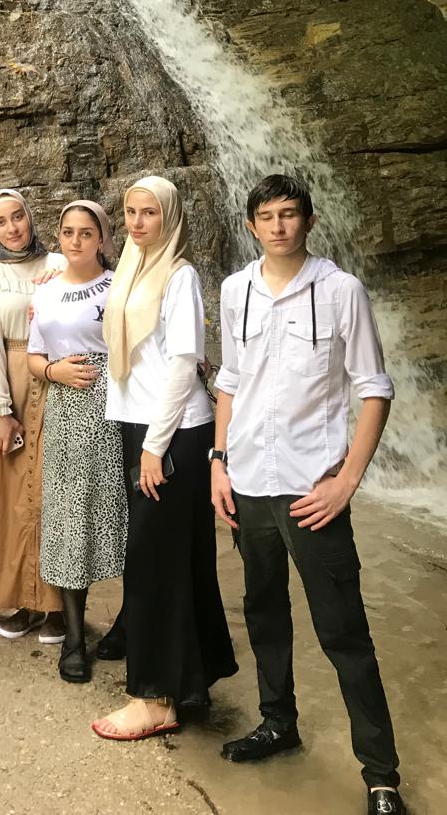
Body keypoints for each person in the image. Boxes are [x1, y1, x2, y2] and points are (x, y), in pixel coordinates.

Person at [211, 174, 404, 815]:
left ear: (309, 221)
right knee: (264, 614)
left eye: (289, 214)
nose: (278, 226)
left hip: (312, 490)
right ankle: (278, 723)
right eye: (266, 216)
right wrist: (218, 462)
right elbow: (230, 380)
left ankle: (381, 776)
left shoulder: (342, 290)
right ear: (251, 225)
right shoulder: (234, 290)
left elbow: (373, 387)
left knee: (344, 632)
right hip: (247, 483)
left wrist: (347, 480)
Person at [92, 175, 236, 742]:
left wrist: (154, 446)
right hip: (141, 425)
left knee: (152, 561)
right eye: (130, 211)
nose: (137, 222)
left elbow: (182, 363)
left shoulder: (179, 275)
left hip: (173, 433)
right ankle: (190, 684)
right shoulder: (130, 268)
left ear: (169, 217)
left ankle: (154, 697)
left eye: (149, 212)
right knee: (174, 558)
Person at [27, 201, 127, 682]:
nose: (76, 241)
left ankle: (130, 623)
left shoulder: (119, 284)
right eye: (68, 232)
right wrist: (53, 371)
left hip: (116, 405)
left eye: (86, 233)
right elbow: (33, 355)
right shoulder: (45, 290)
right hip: (66, 409)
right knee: (69, 517)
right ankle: (73, 638)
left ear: (102, 238)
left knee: (121, 510)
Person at [0, 189, 65, 642]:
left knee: (54, 493)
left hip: (57, 380)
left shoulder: (58, 263)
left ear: (30, 217)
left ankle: (58, 604)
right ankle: (23, 601)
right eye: (1, 221)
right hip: (8, 381)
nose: (12, 227)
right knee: (12, 496)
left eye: (18, 216)